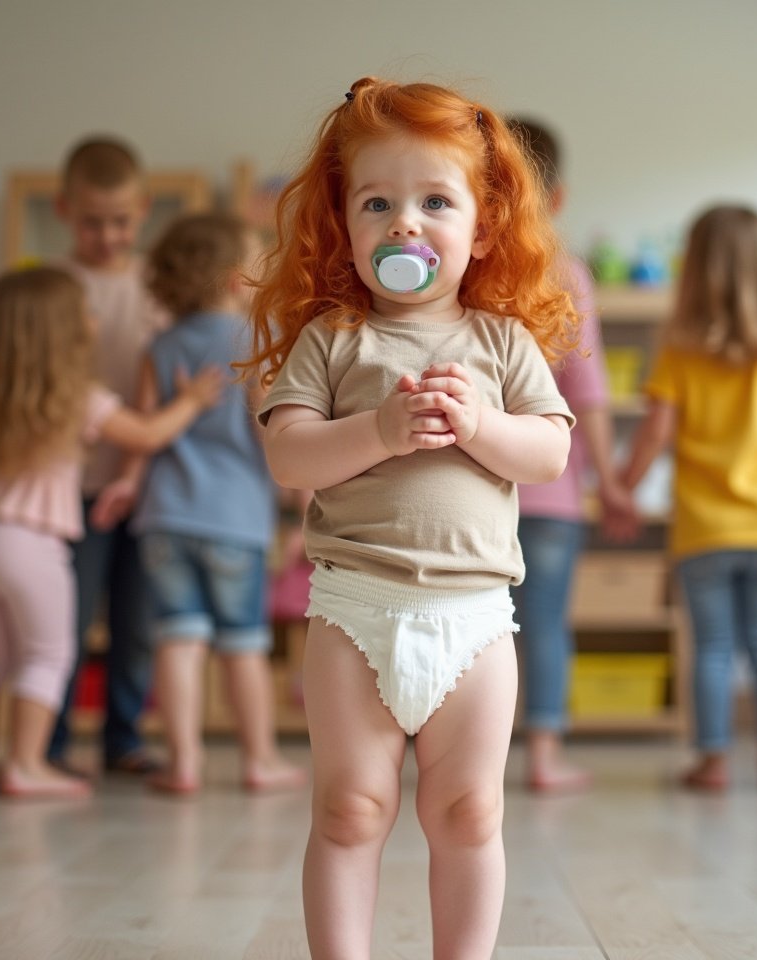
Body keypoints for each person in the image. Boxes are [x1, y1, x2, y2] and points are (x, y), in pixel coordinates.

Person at [245, 77, 578, 960]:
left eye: (435, 200)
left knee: (469, 810)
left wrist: (482, 425)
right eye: (377, 203)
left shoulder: (503, 342)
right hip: (356, 607)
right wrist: (380, 430)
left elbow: (547, 452)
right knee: (350, 808)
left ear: (483, 225)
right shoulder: (334, 339)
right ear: (342, 225)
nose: (405, 223)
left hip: (473, 618)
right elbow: (288, 455)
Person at [0, 266, 222, 799]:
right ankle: (25, 765)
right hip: (28, 541)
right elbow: (145, 433)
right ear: (65, 333)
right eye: (85, 314)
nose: (94, 320)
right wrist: (189, 402)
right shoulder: (80, 396)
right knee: (48, 654)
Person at [620, 204, 757, 793]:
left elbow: (653, 433)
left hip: (705, 528)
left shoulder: (678, 352)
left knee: (712, 648)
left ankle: (714, 763)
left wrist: (621, 491)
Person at [123, 212, 305, 795]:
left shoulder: (161, 344)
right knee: (243, 645)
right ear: (234, 280)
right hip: (234, 520)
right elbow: (270, 427)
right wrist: (302, 502)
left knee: (178, 640)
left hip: (165, 515)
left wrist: (126, 488)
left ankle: (183, 764)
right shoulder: (255, 338)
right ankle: (259, 760)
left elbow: (148, 428)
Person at [505, 117, 637, 793]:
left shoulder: (472, 266)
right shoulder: (566, 273)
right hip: (554, 491)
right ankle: (546, 755)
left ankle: (465, 757)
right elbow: (588, 392)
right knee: (546, 626)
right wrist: (610, 483)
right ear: (558, 199)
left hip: (480, 488)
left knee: (472, 629)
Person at [49, 135, 167, 776]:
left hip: (144, 480)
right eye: (92, 221)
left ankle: (124, 736)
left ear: (143, 210)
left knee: (137, 618)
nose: (107, 235)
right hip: (70, 483)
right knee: (64, 618)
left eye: (121, 221)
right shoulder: (53, 285)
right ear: (65, 210)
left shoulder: (155, 284)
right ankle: (54, 740)